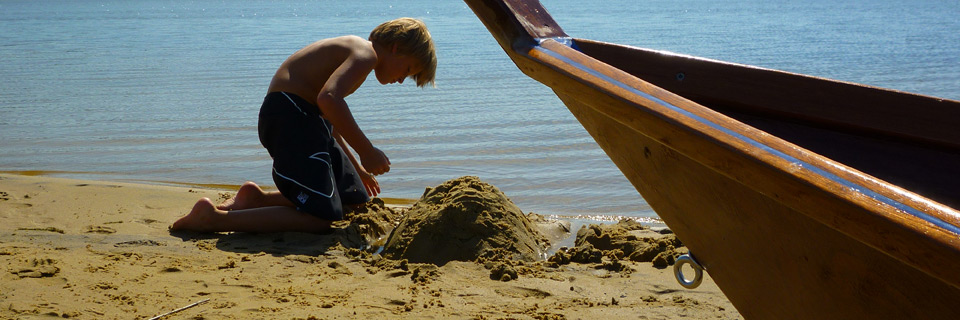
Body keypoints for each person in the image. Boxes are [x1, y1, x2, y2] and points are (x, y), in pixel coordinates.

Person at [171, 17, 436, 233]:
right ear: (396, 47)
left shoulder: (359, 53)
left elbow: (329, 116)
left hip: (304, 119)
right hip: (290, 117)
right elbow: (329, 99)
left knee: (354, 200)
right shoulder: (365, 54)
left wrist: (359, 168)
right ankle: (213, 219)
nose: (402, 80)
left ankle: (255, 200)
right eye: (408, 70)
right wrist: (367, 151)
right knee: (320, 218)